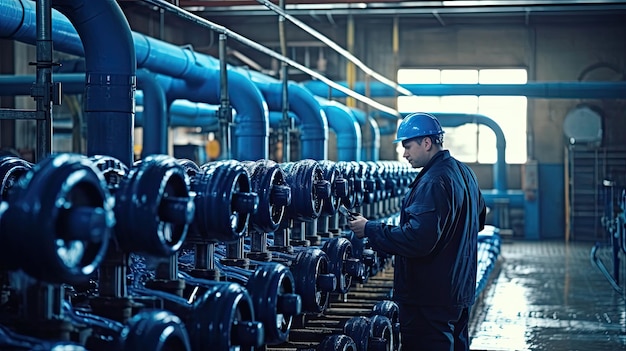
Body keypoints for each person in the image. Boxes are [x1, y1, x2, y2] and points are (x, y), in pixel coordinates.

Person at [348, 112, 486, 351]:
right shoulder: (464, 173)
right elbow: (479, 219)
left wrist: (369, 229)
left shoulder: (433, 180)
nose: (404, 154)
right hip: (458, 291)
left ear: (427, 142)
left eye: (408, 146)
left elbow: (417, 239)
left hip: (430, 296)